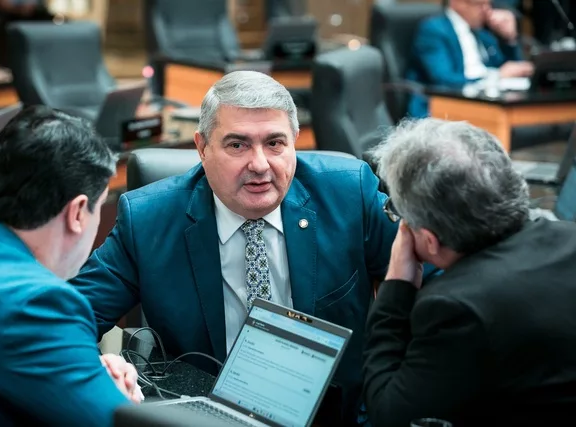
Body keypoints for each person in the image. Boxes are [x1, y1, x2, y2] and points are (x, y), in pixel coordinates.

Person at [71, 70, 399, 425]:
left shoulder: (349, 193)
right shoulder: (149, 218)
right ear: (202, 147)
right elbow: (68, 319)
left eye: (275, 143)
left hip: (338, 417)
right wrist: (104, 371)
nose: (259, 165)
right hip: (208, 416)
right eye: (237, 145)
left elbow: (430, 277)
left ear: (295, 141)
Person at [0, 105, 142, 426]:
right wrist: (116, 396)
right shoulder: (39, 303)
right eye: (99, 207)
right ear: (77, 213)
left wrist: (78, 366)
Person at [362, 118, 576, 427]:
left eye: (398, 215)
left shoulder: (455, 306)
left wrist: (396, 286)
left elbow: (389, 415)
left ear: (430, 240)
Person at [406, 0, 534, 118]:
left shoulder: (483, 35)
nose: (487, 11)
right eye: (480, 5)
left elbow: (508, 67)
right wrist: (497, 76)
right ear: (457, 3)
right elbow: (443, 80)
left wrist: (509, 38)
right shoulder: (433, 30)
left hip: (485, 104)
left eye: (488, 5)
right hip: (444, 107)